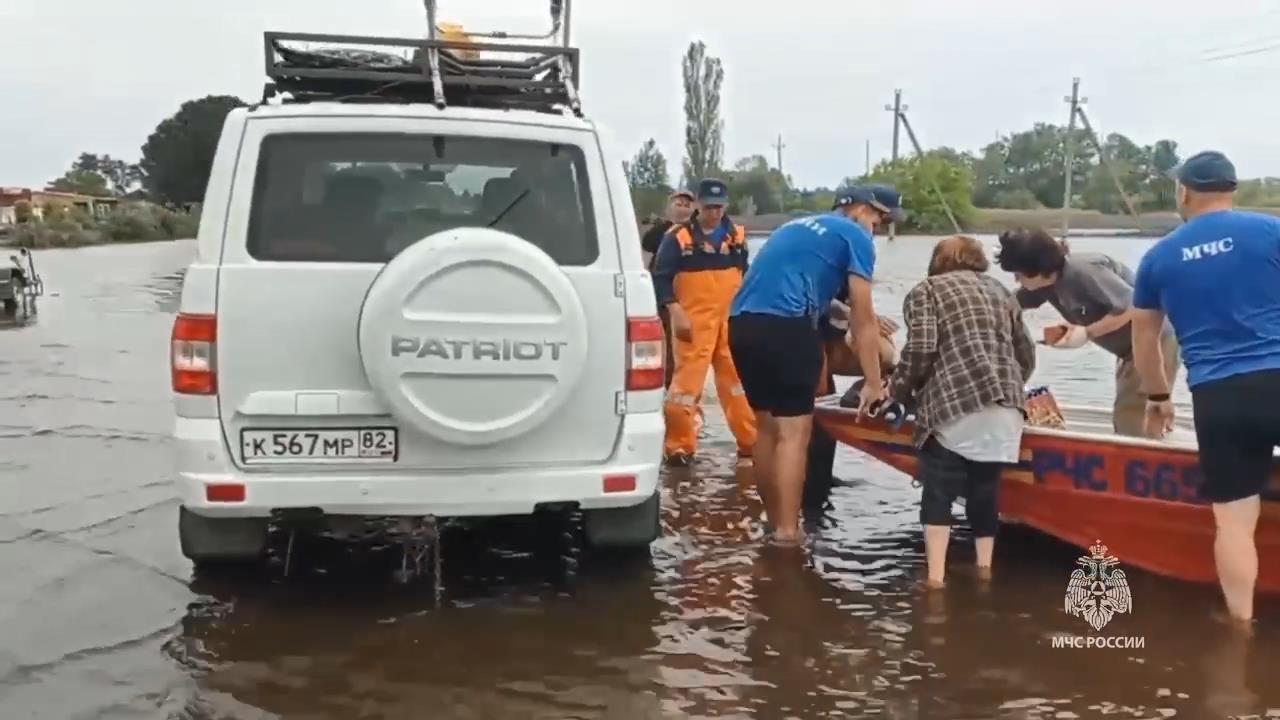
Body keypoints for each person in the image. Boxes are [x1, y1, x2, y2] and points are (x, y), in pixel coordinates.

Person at [1129, 150, 1280, 624]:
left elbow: (1146, 338)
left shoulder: (1158, 257)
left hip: (1218, 394)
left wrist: (1157, 398)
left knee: (1234, 522)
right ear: (1233, 188)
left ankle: (1240, 626)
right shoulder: (1271, 232)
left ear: (1184, 190)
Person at [727, 184, 904, 545]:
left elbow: (796, 285)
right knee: (794, 435)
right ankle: (790, 533)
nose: (878, 226)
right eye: (877, 216)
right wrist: (873, 382)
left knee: (766, 430)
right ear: (856, 207)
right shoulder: (856, 237)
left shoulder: (796, 226)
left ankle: (773, 522)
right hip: (788, 328)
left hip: (741, 324)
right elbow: (863, 315)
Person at [887, 235, 1037, 587]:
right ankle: (984, 570)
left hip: (953, 409)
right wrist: (1009, 384)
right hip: (1007, 410)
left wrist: (897, 392)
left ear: (938, 261)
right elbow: (1026, 352)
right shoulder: (1001, 291)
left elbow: (921, 350)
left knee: (938, 492)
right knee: (985, 494)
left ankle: (936, 579)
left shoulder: (927, 290)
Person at [995, 227, 1181, 437]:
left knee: (1132, 415)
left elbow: (1133, 306)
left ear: (1038, 268)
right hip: (1127, 349)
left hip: (1154, 340)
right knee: (1127, 409)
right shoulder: (1044, 284)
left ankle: (1145, 460)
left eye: (1018, 274)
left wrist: (1087, 332)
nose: (1017, 281)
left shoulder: (1084, 271)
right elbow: (1013, 302)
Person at [652, 178, 757, 466]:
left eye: (719, 207)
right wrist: (675, 312)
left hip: (730, 323)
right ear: (698, 205)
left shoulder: (736, 237)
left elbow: (746, 278)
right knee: (684, 391)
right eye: (709, 207)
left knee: (738, 387)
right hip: (692, 324)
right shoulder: (678, 238)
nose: (715, 213)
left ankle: (751, 444)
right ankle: (679, 449)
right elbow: (660, 279)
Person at [642, 189, 696, 388]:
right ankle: (662, 382)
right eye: (678, 203)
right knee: (661, 342)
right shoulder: (662, 231)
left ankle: (676, 384)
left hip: (687, 297)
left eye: (686, 204)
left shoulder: (695, 232)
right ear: (669, 207)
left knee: (680, 346)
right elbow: (647, 243)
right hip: (663, 296)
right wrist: (668, 225)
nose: (682, 208)